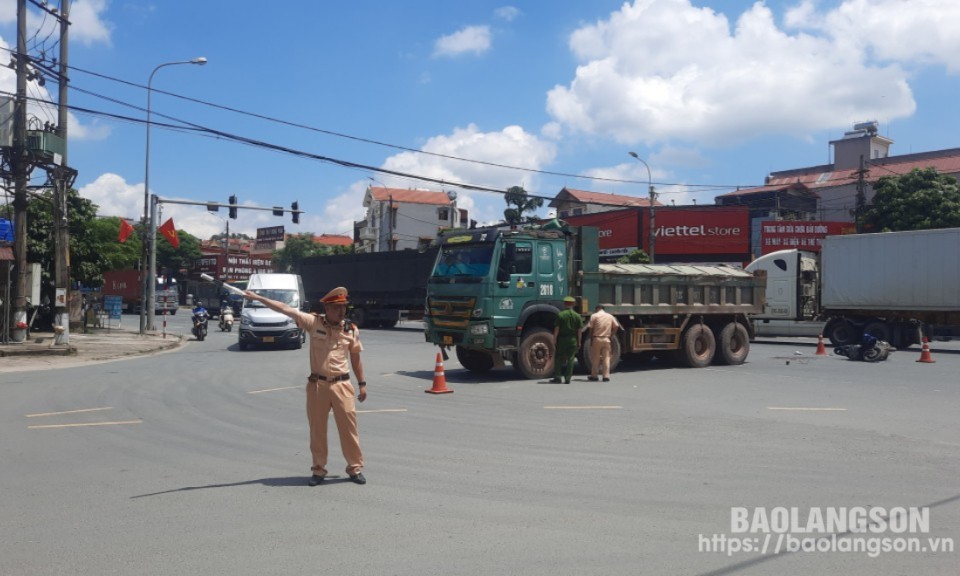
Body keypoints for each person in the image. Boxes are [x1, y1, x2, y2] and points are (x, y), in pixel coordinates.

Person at [242, 286, 368, 486]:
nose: (342, 311)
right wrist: (257, 297)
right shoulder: (313, 322)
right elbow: (285, 308)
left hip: (342, 385)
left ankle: (354, 468)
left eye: (344, 307)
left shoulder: (351, 329)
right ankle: (318, 470)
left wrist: (362, 384)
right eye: (337, 308)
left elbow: (356, 358)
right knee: (317, 430)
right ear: (327, 307)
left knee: (349, 430)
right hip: (318, 386)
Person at [584, 304, 623, 382]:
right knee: (606, 358)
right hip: (607, 339)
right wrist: (611, 335)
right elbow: (616, 326)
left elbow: (590, 328)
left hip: (597, 338)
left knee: (596, 358)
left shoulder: (594, 316)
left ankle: (594, 376)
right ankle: (606, 376)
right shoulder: (610, 316)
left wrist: (591, 338)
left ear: (597, 308)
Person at [551, 296, 583, 384]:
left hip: (562, 339)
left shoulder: (560, 314)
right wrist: (579, 341)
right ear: (573, 304)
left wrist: (554, 339)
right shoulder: (577, 316)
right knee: (571, 358)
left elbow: (556, 328)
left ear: (565, 304)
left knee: (558, 358)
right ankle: (568, 378)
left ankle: (558, 377)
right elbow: (579, 331)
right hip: (572, 339)